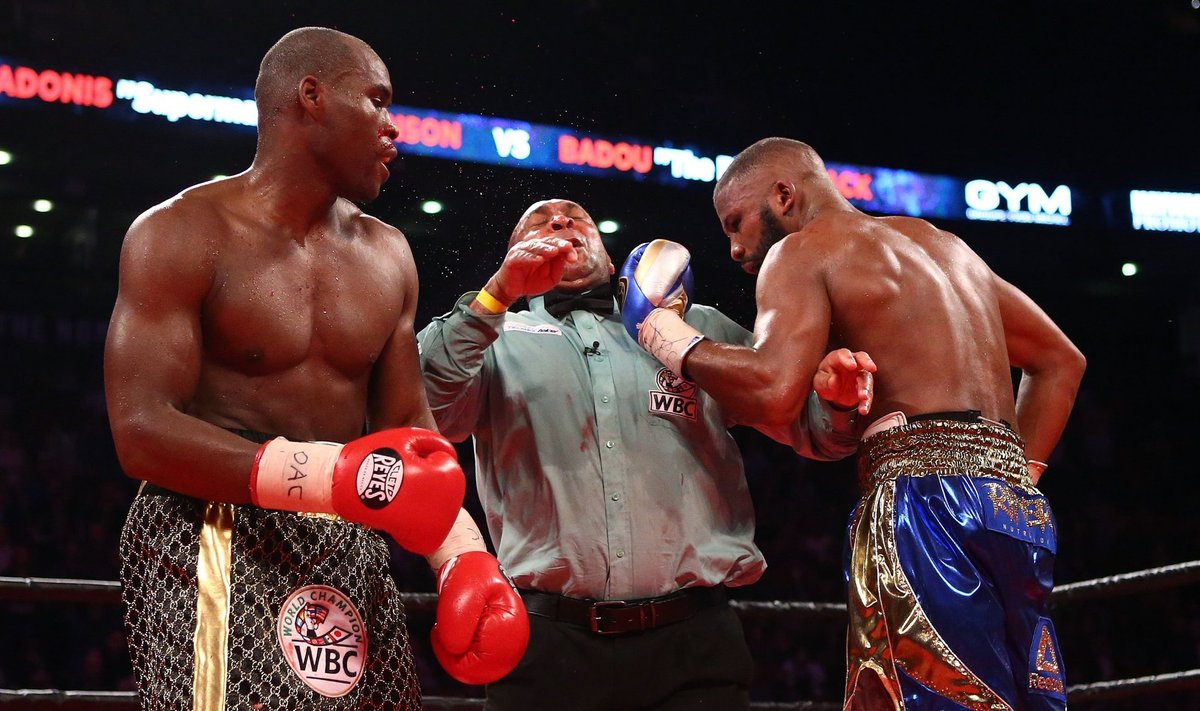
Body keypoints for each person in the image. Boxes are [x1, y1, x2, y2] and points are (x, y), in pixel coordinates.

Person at [104, 27, 526, 710]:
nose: (396, 128)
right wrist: (333, 475)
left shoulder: (388, 255)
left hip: (344, 539)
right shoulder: (182, 232)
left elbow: (410, 440)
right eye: (377, 101)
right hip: (211, 531)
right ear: (312, 97)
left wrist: (464, 560)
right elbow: (141, 430)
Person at [626, 137, 1087, 710]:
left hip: (924, 503)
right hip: (1016, 512)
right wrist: (1017, 474)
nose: (735, 249)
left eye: (735, 222)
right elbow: (1062, 361)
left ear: (784, 195)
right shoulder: (947, 248)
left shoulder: (803, 251)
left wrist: (665, 337)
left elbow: (773, 390)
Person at [417, 197, 875, 711]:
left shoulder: (693, 327)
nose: (561, 222)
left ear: (611, 261)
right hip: (548, 646)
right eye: (539, 222)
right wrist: (497, 295)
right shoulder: (492, 340)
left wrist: (836, 406)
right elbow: (424, 403)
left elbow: (809, 429)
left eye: (576, 217)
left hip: (692, 643)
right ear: (514, 256)